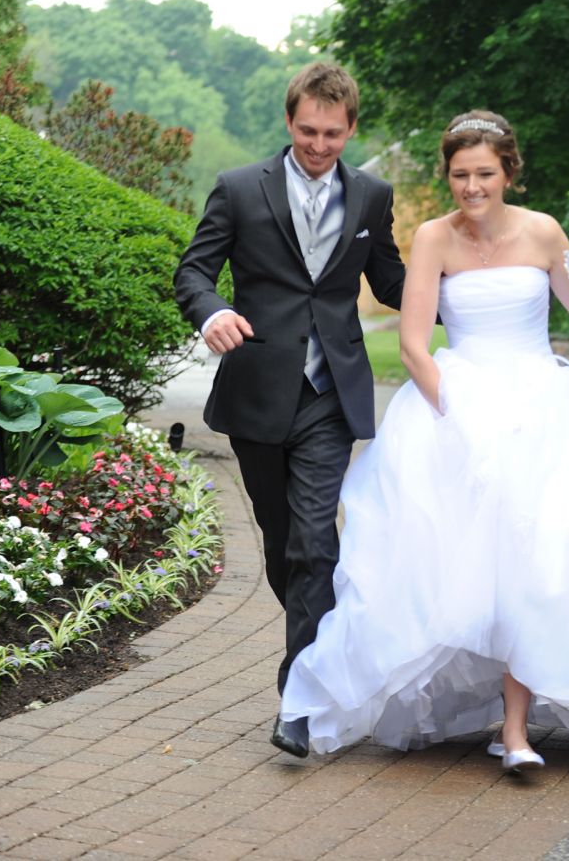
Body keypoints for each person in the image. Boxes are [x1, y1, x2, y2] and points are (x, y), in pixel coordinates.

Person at [279, 110, 569, 771]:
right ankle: (393, 700)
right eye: (460, 175)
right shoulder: (433, 239)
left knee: (537, 557)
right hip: (453, 404)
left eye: (484, 174)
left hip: (539, 407)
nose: (471, 187)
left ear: (508, 172)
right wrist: (457, 415)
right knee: (449, 566)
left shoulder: (543, 231)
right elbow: (411, 344)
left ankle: (515, 731)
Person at [173, 62, 408, 757]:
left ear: (352, 128)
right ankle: (330, 646)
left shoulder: (372, 196)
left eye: (333, 134)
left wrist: (469, 277)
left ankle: (299, 701)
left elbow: (391, 280)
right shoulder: (240, 189)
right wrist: (211, 310)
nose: (319, 144)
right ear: (289, 121)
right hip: (258, 389)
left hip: (331, 392)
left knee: (315, 541)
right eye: (308, 130)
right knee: (283, 546)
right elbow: (193, 270)